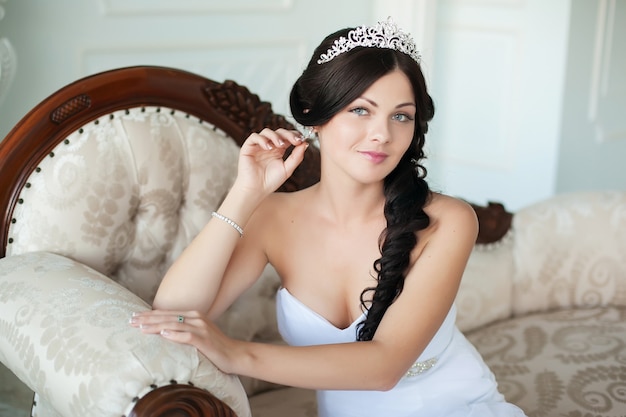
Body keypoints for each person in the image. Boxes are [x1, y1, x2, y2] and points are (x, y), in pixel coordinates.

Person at [130, 18, 527, 417]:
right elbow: (174, 312)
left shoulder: (449, 220)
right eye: (360, 110)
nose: (382, 134)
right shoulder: (272, 217)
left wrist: (237, 355)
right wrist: (244, 194)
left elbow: (385, 367)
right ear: (313, 114)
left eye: (401, 116)